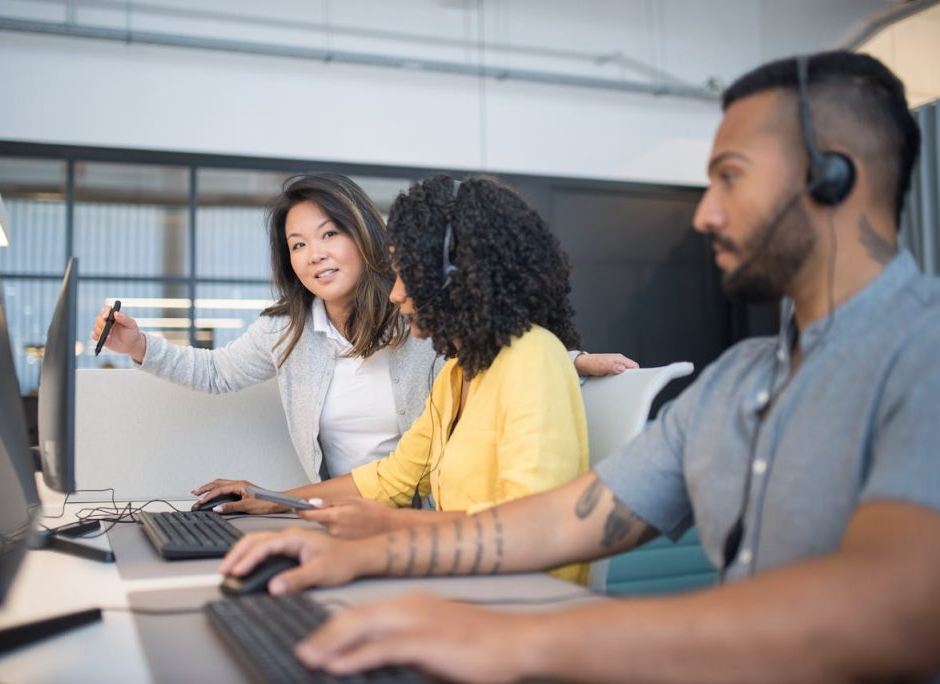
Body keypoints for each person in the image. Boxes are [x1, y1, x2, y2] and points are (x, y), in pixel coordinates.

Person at [219, 51, 940, 682]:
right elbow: (560, 522)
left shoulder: (925, 352)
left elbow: (892, 614)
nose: (704, 214)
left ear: (832, 177)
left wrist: (513, 636)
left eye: (730, 177)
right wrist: (373, 552)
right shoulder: (735, 384)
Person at [92, 174, 637, 508]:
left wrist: (572, 360)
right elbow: (391, 478)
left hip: (441, 540)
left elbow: (501, 348)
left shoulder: (440, 329)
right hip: (368, 515)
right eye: (298, 244)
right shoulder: (292, 329)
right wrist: (139, 346)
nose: (315, 254)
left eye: (330, 234)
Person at [214, 174, 595, 583]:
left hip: (526, 599)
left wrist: (389, 529)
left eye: (406, 274)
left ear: (455, 276)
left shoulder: (533, 359)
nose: (395, 294)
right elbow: (393, 476)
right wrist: (276, 501)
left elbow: (528, 528)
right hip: (464, 579)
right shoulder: (456, 372)